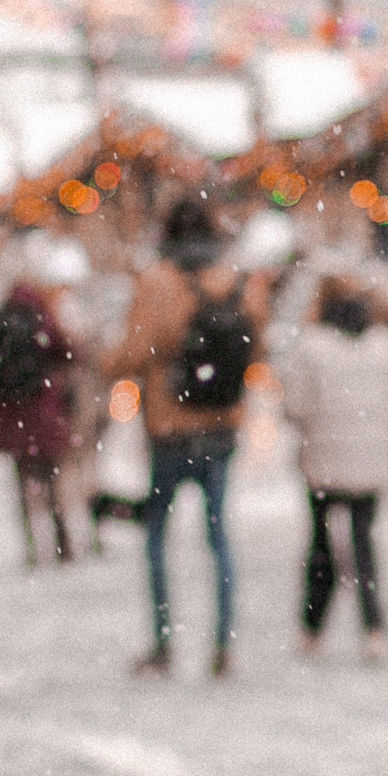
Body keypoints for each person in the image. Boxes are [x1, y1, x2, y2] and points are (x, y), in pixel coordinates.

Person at [117, 194, 260, 677]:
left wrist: (109, 362)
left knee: (157, 535)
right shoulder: (240, 279)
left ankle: (163, 644)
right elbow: (255, 349)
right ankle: (223, 644)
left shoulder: (156, 281)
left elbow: (134, 352)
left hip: (170, 428)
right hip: (222, 425)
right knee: (219, 536)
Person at [275, 276, 388, 658]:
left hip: (324, 464)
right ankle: (374, 629)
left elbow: (295, 408)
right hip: (371, 466)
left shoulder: (311, 349)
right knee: (364, 545)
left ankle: (312, 628)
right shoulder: (385, 348)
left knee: (322, 547)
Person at [0, 274, 83, 567]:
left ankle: (32, 547)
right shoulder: (42, 316)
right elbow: (70, 351)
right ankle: (63, 544)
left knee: (23, 482)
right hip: (43, 410)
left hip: (12, 416)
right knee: (52, 481)